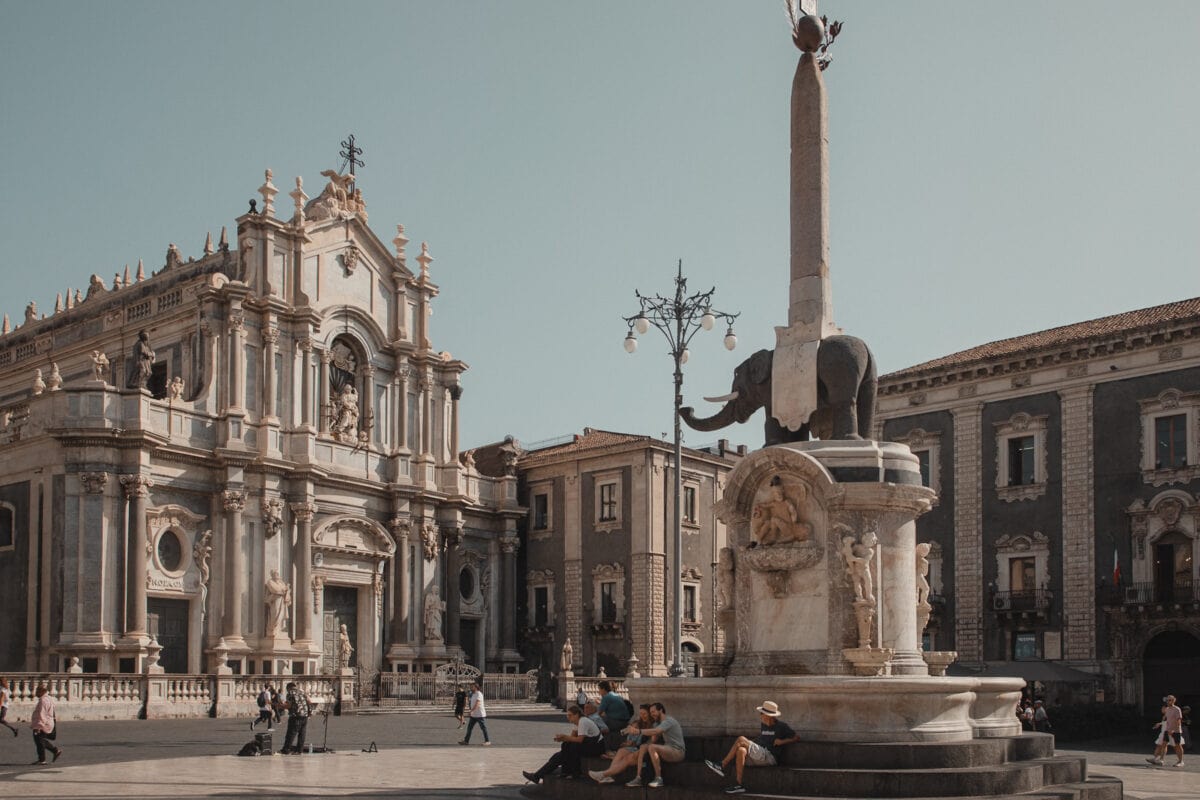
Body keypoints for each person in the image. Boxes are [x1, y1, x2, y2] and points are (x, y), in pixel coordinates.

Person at [705, 700, 799, 794]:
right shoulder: (763, 725)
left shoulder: (781, 726)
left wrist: (782, 741)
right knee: (741, 750)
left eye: (761, 713)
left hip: (770, 757)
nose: (760, 715)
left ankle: (722, 765)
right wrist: (750, 743)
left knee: (741, 739)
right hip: (761, 755)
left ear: (768, 715)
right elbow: (763, 739)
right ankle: (739, 785)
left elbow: (796, 737)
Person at [522, 704, 605, 784]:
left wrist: (565, 738)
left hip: (597, 747)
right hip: (588, 744)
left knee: (567, 750)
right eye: (567, 715)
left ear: (576, 715)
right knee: (563, 750)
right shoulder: (577, 723)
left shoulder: (583, 721)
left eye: (570, 715)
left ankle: (571, 772)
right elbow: (571, 738)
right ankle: (542, 775)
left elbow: (579, 740)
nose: (568, 717)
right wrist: (562, 738)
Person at [626, 702, 685, 788]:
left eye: (653, 712)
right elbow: (653, 740)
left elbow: (656, 731)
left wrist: (638, 731)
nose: (651, 714)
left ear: (660, 710)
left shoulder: (668, 721)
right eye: (650, 712)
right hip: (668, 749)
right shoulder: (658, 723)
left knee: (652, 747)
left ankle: (658, 779)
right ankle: (638, 778)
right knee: (644, 747)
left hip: (678, 752)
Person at [589, 704, 652, 783]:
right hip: (636, 747)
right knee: (621, 751)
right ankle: (609, 776)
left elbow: (644, 741)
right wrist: (630, 737)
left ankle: (604, 774)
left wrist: (633, 742)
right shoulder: (640, 723)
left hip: (643, 749)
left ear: (649, 714)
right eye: (641, 714)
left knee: (627, 758)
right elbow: (624, 733)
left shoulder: (652, 725)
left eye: (644, 714)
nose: (642, 716)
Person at [1147, 694, 1185, 767]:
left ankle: (1181, 761)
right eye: (1167, 700)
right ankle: (1161, 760)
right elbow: (1168, 720)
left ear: (1174, 700)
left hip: (1176, 731)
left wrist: (1173, 730)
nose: (1168, 701)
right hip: (1167, 730)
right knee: (1163, 744)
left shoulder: (1177, 709)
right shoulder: (1167, 709)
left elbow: (1179, 721)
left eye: (1170, 700)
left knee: (1177, 746)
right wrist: (1161, 724)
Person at [29, 684, 61, 765]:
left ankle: (42, 759)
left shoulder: (43, 701)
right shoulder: (49, 698)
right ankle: (55, 751)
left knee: (39, 740)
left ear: (41, 691)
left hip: (43, 723)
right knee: (41, 740)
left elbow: (42, 714)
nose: (36, 692)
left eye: (37, 691)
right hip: (48, 722)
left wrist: (39, 726)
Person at [597, 680, 631, 750]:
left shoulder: (606, 697)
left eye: (599, 689)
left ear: (603, 689)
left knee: (595, 721)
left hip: (616, 722)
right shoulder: (617, 695)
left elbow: (599, 713)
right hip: (624, 721)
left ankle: (605, 748)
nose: (599, 692)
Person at [279, 682, 311, 755]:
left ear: (288, 687)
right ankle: (299, 750)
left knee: (291, 733)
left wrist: (281, 706)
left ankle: (286, 750)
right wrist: (308, 712)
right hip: (305, 715)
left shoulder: (290, 693)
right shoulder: (302, 692)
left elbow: (289, 705)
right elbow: (309, 701)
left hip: (296, 715)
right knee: (302, 734)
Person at [459, 680, 491, 745]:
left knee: (483, 728)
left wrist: (471, 711)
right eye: (471, 686)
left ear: (476, 687)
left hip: (480, 715)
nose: (471, 688)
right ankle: (466, 741)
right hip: (474, 715)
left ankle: (487, 741)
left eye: (472, 687)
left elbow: (477, 704)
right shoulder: (473, 694)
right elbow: (472, 703)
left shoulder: (479, 694)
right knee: (469, 728)